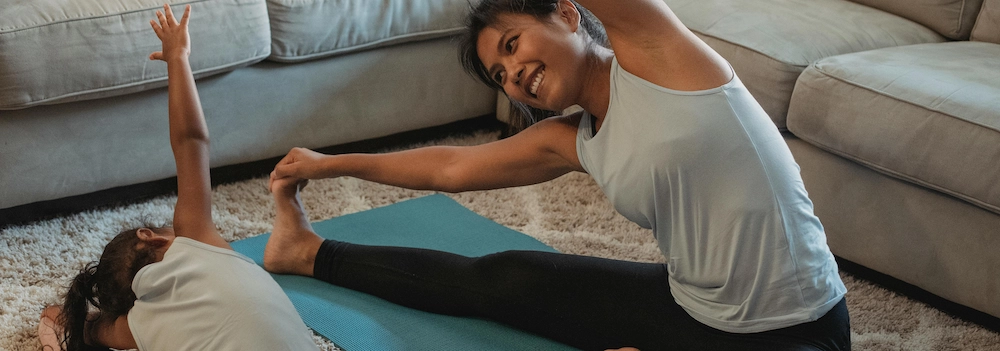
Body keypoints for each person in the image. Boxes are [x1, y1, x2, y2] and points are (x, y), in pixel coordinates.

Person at [264, 0, 850, 350]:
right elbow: (449, 166)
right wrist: (325, 162)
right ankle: (307, 252)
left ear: (568, 12)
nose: (513, 74)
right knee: (506, 278)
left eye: (514, 45)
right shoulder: (573, 138)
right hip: (692, 308)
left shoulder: (661, 57)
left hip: (799, 327)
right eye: (499, 74)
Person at [37, 5, 319, 350]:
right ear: (151, 237)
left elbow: (84, 330)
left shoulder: (133, 328)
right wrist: (178, 57)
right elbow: (191, 142)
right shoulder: (194, 243)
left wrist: (64, 315)